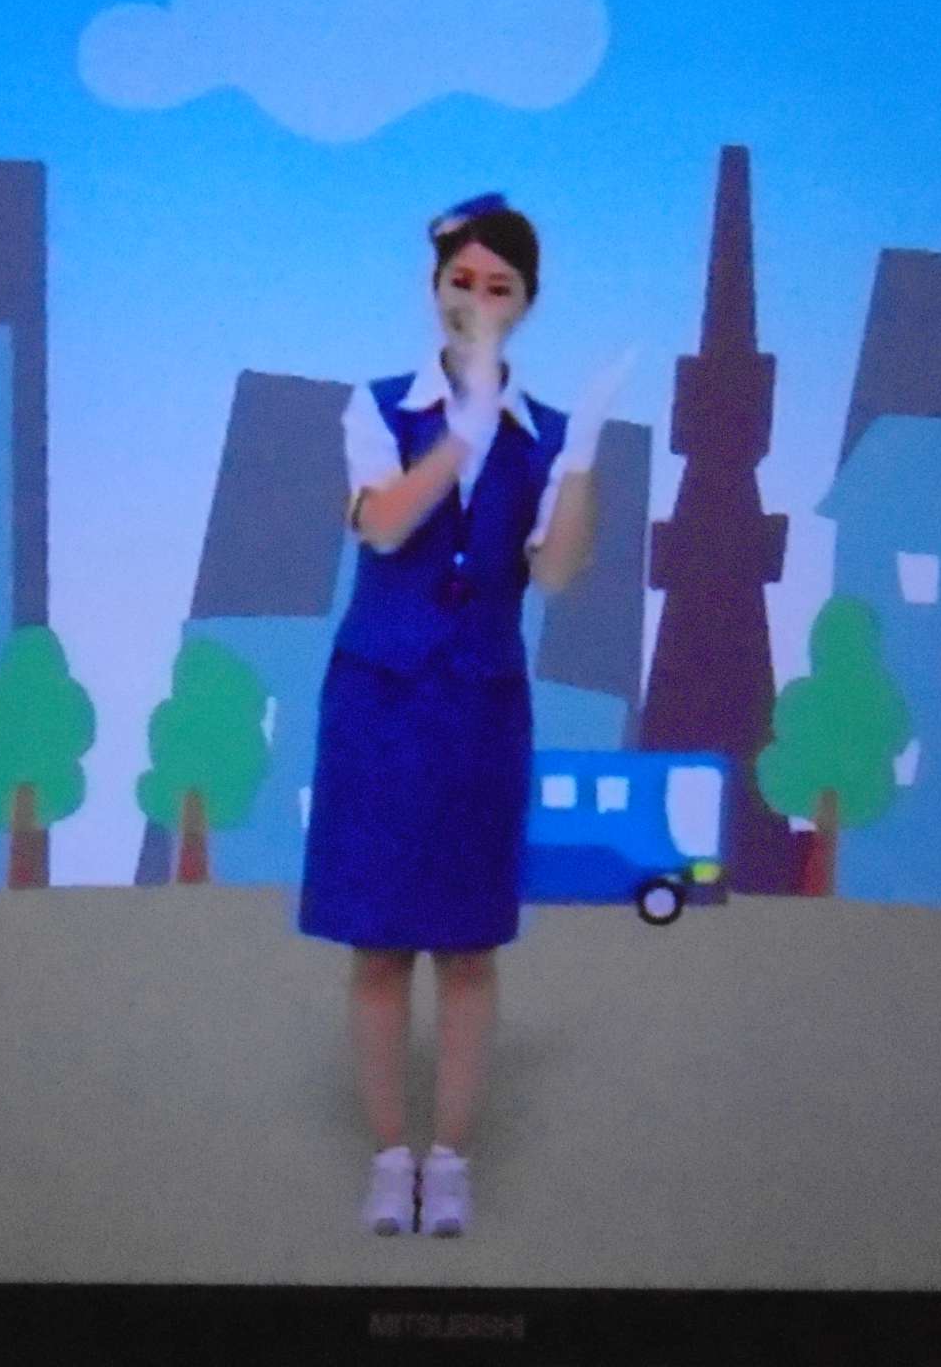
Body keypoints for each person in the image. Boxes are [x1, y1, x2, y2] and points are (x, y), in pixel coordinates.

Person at [298, 193, 634, 1234]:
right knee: (377, 944)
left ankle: (447, 1159)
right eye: (462, 282)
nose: (477, 300)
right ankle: (386, 1155)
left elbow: (558, 572)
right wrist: (460, 436)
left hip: (482, 704)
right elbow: (384, 527)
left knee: (469, 945)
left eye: (500, 286)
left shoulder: (545, 435)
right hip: (379, 699)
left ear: (526, 301)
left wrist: (580, 456)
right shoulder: (376, 408)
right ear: (434, 287)